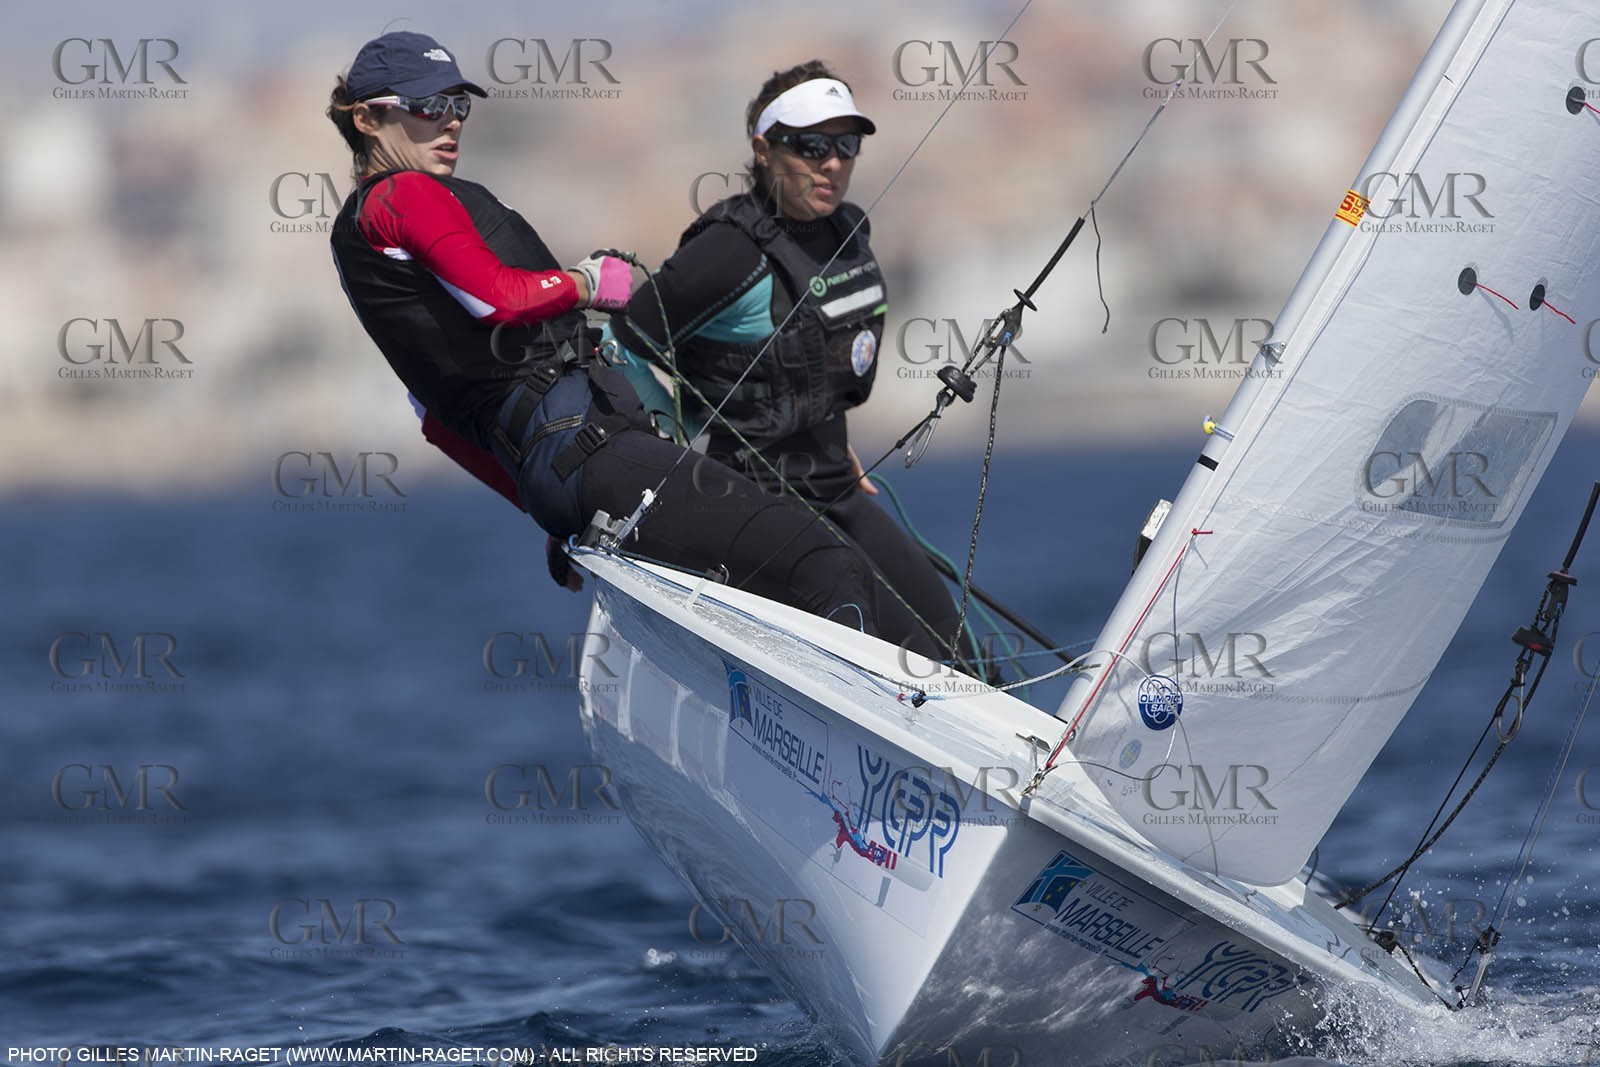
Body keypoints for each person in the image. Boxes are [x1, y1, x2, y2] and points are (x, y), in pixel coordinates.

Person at [323, 31, 904, 637]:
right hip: (589, 450)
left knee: (764, 569)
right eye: (425, 107)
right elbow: (500, 298)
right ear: (367, 117)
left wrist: (553, 516)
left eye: (458, 105)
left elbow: (439, 422)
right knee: (825, 563)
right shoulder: (404, 194)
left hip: (568, 466)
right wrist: (587, 282)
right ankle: (861, 722)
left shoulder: (361, 248)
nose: (450, 123)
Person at [608, 61, 981, 670]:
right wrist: (661, 455)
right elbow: (622, 342)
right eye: (811, 145)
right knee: (876, 649)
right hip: (752, 499)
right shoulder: (726, 253)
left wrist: (831, 434)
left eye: (846, 144)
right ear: (763, 149)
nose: (832, 162)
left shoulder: (849, 231)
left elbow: (812, 366)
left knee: (960, 659)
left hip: (837, 482)